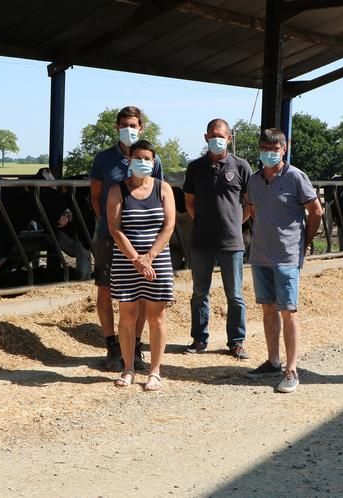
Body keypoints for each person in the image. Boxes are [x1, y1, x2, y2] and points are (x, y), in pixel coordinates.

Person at [246, 128, 323, 393]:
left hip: (287, 256)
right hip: (260, 254)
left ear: (284, 149)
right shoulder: (255, 180)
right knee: (268, 309)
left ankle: (292, 369)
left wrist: (304, 242)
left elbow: (316, 211)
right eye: (264, 149)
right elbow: (252, 208)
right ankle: (273, 361)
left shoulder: (296, 177)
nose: (269, 153)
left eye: (274, 149)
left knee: (288, 311)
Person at [90, 106, 164, 371]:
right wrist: (110, 226)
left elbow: (158, 194)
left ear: (141, 127)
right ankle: (111, 345)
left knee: (141, 292)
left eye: (133, 125)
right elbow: (96, 196)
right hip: (109, 236)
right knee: (106, 289)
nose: (128, 129)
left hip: (143, 239)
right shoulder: (103, 159)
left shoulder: (150, 157)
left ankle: (135, 345)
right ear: (116, 127)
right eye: (123, 124)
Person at [106, 140, 175, 391]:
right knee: (127, 315)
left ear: (154, 161)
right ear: (129, 160)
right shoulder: (117, 190)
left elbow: (168, 226)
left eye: (147, 158)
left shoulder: (164, 189)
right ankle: (128, 368)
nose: (143, 162)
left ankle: (155, 371)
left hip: (157, 262)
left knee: (157, 316)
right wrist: (136, 259)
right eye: (138, 158)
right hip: (127, 262)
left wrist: (150, 257)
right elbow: (115, 229)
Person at [183, 118, 253, 359]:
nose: (217, 139)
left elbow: (249, 203)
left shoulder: (242, 166)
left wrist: (235, 224)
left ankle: (236, 341)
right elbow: (189, 203)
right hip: (201, 241)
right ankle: (199, 339)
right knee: (200, 293)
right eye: (212, 135)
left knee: (235, 295)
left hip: (232, 242)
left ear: (229, 138)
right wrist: (202, 221)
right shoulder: (194, 168)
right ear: (205, 137)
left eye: (221, 135)